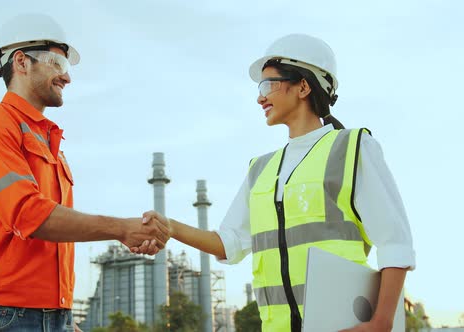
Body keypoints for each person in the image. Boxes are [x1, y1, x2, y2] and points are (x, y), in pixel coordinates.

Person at [134, 34, 416, 332]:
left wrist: (381, 323)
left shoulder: (352, 148)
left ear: (303, 86)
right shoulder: (261, 169)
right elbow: (229, 243)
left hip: (340, 326)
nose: (259, 97)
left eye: (268, 85)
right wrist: (171, 227)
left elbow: (394, 241)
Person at [0, 14, 169, 332]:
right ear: (21, 62)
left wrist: (61, 318)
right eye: (57, 64)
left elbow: (49, 242)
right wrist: (121, 229)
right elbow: (27, 214)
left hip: (49, 317)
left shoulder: (52, 147)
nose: (67, 78)